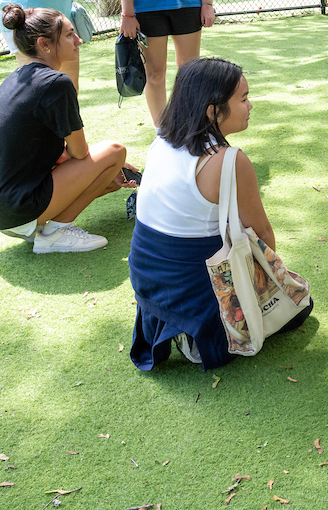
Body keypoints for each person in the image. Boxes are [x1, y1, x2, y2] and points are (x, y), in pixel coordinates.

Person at [127, 57, 313, 370]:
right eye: (243, 98)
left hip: (147, 280)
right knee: (299, 306)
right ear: (213, 110)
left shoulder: (160, 140)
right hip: (195, 289)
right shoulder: (229, 160)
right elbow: (263, 236)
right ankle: (203, 332)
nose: (251, 105)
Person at [0, 5, 132, 253]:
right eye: (70, 35)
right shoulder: (56, 83)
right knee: (114, 152)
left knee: (109, 168)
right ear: (44, 44)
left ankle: (48, 228)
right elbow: (80, 153)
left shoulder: (14, 79)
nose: (78, 40)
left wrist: (104, 172)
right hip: (18, 208)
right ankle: (56, 232)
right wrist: (108, 165)